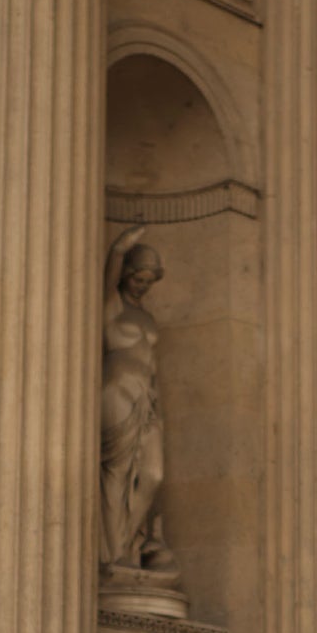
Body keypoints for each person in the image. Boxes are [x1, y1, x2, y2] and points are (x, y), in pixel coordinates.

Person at [100, 224, 181, 579]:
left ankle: (128, 541)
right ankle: (114, 552)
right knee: (117, 473)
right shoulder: (111, 306)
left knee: (152, 474)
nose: (143, 285)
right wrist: (120, 247)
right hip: (117, 391)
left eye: (149, 280)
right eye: (138, 277)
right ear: (127, 275)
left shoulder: (146, 316)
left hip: (147, 397)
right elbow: (109, 275)